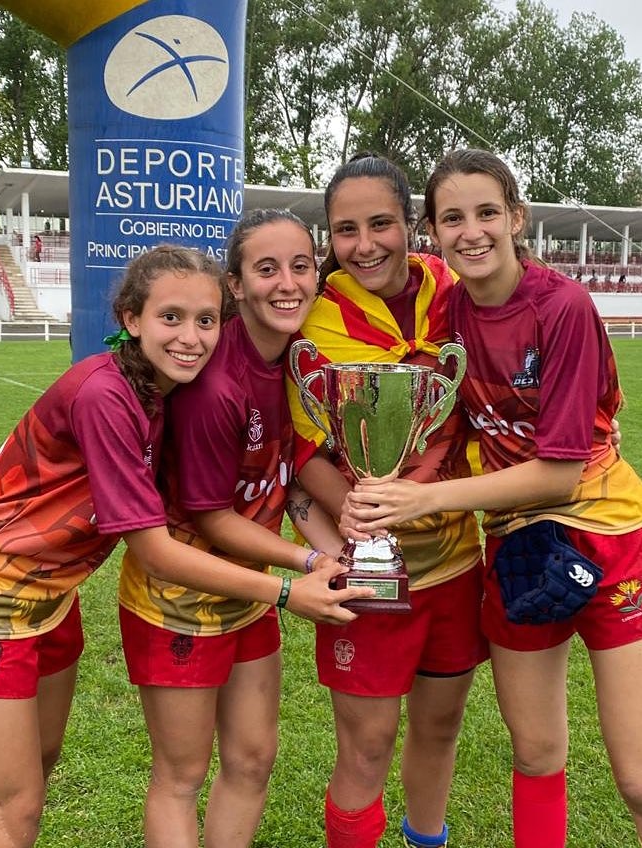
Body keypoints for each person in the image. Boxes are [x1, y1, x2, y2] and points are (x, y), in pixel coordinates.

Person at [343, 148, 642, 848]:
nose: (470, 231)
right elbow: (431, 410)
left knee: (641, 779)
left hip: (610, 537)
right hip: (515, 550)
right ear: (433, 236)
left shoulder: (561, 305)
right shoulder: (446, 309)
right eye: (451, 219)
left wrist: (421, 503)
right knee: (534, 755)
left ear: (515, 217)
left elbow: (558, 472)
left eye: (484, 213)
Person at [0, 244, 364, 848]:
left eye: (205, 321)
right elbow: (154, 548)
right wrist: (287, 588)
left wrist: (319, 551)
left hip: (53, 599)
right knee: (14, 806)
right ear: (131, 318)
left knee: (40, 767)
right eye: (170, 317)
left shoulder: (163, 390)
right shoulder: (104, 395)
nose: (191, 338)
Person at [118, 211, 370, 848]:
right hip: (180, 597)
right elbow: (212, 515)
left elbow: (280, 482)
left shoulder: (291, 359)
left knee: (252, 761)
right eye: (266, 269)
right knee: (181, 775)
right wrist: (306, 567)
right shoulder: (216, 384)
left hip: (248, 594)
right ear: (235, 286)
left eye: (301, 266)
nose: (287, 283)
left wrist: (348, 553)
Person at [286, 153, 488, 848]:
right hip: (367, 567)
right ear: (329, 238)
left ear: (410, 224)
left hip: (456, 560)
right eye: (346, 229)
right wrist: (360, 518)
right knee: (366, 746)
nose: (364, 244)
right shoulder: (314, 320)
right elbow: (303, 444)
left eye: (380, 223)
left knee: (438, 727)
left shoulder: (457, 292)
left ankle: (423, 837)